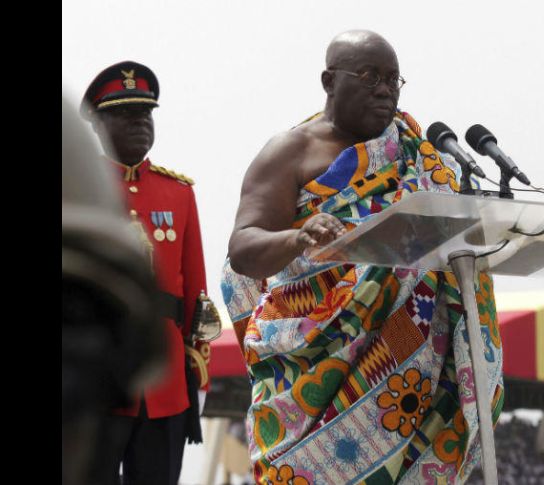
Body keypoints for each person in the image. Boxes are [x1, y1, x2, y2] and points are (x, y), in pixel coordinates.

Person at [223, 30, 504, 484]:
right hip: (313, 356)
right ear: (329, 81)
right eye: (370, 75)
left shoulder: (416, 152)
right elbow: (243, 247)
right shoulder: (291, 151)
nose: (385, 89)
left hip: (414, 371)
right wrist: (298, 238)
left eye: (394, 79)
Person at [80, 61, 213, 485]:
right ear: (99, 124)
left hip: (165, 381)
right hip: (95, 379)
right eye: (125, 113)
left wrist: (195, 361)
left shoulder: (179, 192)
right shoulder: (79, 190)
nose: (140, 122)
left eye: (146, 113)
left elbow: (196, 291)